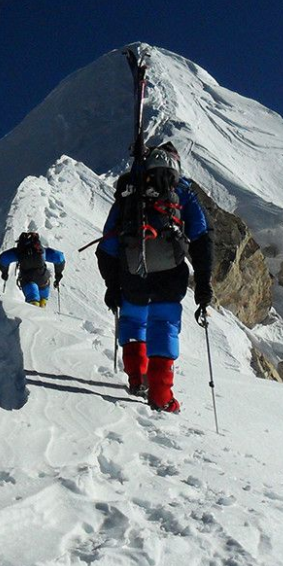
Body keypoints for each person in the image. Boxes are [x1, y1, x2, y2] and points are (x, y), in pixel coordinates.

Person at [96, 142, 214, 412]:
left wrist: (112, 286)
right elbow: (203, 238)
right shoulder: (182, 192)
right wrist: (204, 283)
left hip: (133, 276)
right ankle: (162, 397)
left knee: (133, 323)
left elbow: (108, 248)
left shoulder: (129, 196)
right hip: (170, 277)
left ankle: (138, 380)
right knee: (164, 326)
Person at [0, 231, 65, 307]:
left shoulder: (18, 252)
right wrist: (58, 274)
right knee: (43, 299)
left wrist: (4, 272)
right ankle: (42, 308)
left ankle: (32, 314)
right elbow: (59, 258)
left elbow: (3, 259)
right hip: (43, 279)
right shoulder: (42, 251)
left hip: (27, 279)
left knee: (32, 300)